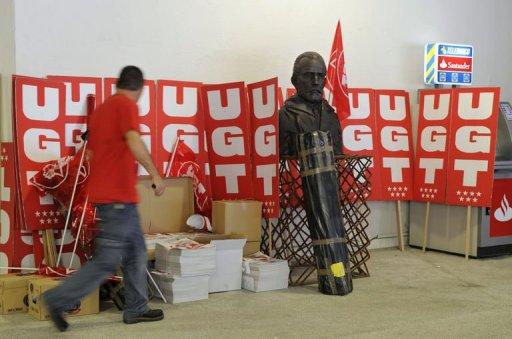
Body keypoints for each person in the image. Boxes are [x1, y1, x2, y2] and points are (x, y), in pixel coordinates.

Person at [43, 66, 166, 331]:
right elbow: (133, 142)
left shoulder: (101, 111)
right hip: (117, 200)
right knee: (108, 260)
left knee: (135, 253)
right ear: (139, 88)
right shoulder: (126, 106)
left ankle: (136, 308)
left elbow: (91, 154)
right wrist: (155, 173)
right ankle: (57, 299)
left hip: (115, 197)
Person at [279, 52, 343, 157]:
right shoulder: (284, 116)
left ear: (325, 81)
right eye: (308, 75)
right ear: (294, 80)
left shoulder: (332, 116)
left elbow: (338, 158)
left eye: (320, 76)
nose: (316, 82)